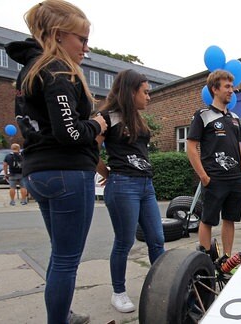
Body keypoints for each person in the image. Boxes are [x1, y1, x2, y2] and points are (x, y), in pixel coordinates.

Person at [4, 1, 107, 323]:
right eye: (82, 40)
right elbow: (70, 132)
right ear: (60, 36)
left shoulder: (30, 71)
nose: (86, 49)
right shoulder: (58, 72)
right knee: (66, 259)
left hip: (40, 172)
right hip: (67, 172)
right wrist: (99, 126)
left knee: (59, 254)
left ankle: (62, 313)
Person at [95, 69, 165, 313]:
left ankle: (162, 286)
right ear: (131, 91)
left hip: (146, 185)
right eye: (145, 92)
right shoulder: (107, 116)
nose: (149, 97)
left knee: (157, 239)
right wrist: (108, 175)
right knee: (124, 242)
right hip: (123, 185)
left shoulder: (138, 118)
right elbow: (91, 151)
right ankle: (119, 292)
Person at [187, 69, 241, 264]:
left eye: (232, 86)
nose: (232, 90)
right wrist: (204, 177)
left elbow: (239, 148)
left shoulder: (235, 118)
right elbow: (191, 147)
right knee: (208, 220)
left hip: (235, 180)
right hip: (214, 179)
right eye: (227, 86)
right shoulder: (202, 115)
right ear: (215, 89)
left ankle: (226, 261)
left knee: (230, 219)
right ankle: (205, 262)